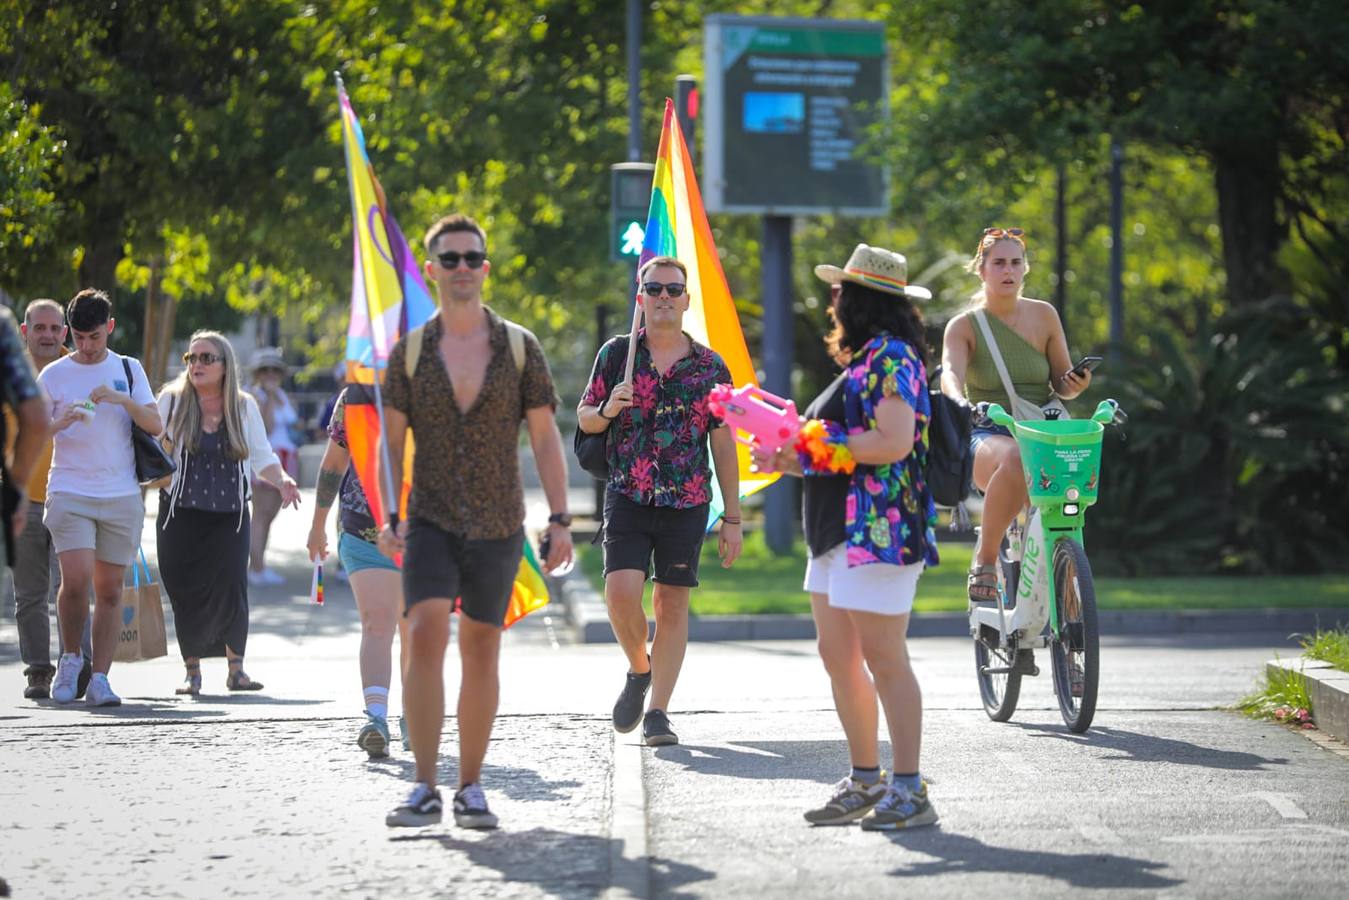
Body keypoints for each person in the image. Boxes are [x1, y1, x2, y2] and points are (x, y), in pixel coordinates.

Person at [377, 213, 574, 829]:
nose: (462, 267)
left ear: (484, 269)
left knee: (482, 649)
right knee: (427, 633)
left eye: (472, 258)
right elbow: (388, 446)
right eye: (450, 258)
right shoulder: (409, 352)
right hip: (430, 517)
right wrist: (388, 514)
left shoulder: (520, 346)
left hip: (498, 520)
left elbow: (545, 440)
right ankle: (423, 785)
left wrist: (561, 519)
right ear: (432, 269)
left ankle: (470, 786)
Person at [753, 243, 940, 831]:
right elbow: (838, 453)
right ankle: (865, 779)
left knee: (885, 659)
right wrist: (787, 455)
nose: (832, 300)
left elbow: (893, 442)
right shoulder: (863, 363)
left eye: (840, 291)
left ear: (858, 299)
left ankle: (909, 790)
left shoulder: (892, 358)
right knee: (839, 657)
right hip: (837, 531)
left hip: (878, 531)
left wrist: (805, 447)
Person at [577, 255, 743, 748]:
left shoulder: (711, 366)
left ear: (687, 300)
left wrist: (732, 518)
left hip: (687, 499)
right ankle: (638, 667)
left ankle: (658, 712)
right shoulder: (616, 354)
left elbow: (723, 443)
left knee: (671, 604)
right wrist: (609, 407)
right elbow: (586, 419)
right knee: (621, 595)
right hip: (628, 492)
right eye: (655, 289)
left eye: (674, 289)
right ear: (641, 298)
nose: (665, 297)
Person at [939, 228, 1091, 607]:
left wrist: (1077, 383)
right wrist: (958, 399)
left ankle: (1064, 582)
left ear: (1025, 269)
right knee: (1018, 458)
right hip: (987, 431)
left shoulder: (1044, 315)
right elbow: (950, 373)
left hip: (1042, 430)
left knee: (1071, 486)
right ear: (982, 270)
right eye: (999, 263)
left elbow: (1063, 384)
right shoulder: (964, 326)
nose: (1008, 270)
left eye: (1016, 262)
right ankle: (985, 560)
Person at [156, 331, 301, 695]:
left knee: (232, 587)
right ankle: (193, 673)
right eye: (192, 358)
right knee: (186, 590)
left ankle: (237, 671)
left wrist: (283, 480)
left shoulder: (243, 405)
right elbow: (152, 453)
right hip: (180, 512)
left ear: (225, 366)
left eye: (207, 358)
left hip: (230, 514)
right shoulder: (171, 401)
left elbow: (263, 456)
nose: (197, 365)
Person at [37, 289, 162, 707]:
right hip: (70, 489)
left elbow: (156, 425)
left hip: (121, 492)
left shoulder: (128, 368)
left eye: (94, 337)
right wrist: (59, 422)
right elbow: (31, 434)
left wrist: (122, 399)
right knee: (75, 581)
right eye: (79, 337)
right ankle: (71, 659)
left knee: (109, 590)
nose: (87, 347)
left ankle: (102, 678)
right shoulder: (54, 375)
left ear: (109, 328)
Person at [306, 385, 408, 757]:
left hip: (424, 531)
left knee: (413, 627)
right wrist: (317, 526)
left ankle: (414, 713)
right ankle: (377, 717)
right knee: (377, 623)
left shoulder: (436, 382)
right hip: (363, 528)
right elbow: (334, 464)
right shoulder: (355, 397)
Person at [8, 299, 92, 699]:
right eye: (38, 328)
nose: (47, 335)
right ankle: (38, 671)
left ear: (64, 331)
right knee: (29, 595)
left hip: (72, 495)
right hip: (23, 499)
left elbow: (99, 422)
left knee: (73, 586)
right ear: (25, 332)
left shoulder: (79, 370)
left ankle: (81, 664)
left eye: (54, 328)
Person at [246, 347, 298, 586]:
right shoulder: (256, 395)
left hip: (286, 457)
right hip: (268, 459)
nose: (270, 374)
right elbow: (264, 429)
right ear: (257, 373)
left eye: (275, 370)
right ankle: (255, 569)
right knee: (261, 515)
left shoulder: (281, 395)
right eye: (265, 370)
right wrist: (267, 398)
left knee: (269, 515)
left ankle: (260, 566)